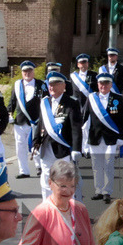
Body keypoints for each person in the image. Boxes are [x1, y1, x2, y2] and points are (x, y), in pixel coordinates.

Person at [32, 71, 81, 201]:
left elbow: (76, 128)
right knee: (46, 180)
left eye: (54, 84)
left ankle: (66, 208)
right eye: (50, 84)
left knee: (64, 181)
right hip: (46, 148)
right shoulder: (45, 102)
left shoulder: (71, 103)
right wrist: (35, 143)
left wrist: (76, 148)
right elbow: (40, 125)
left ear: (63, 86)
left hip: (62, 149)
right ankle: (47, 208)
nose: (51, 87)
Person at [81, 73, 123, 201]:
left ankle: (107, 191)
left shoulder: (118, 98)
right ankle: (98, 190)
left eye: (106, 83)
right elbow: (84, 118)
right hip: (95, 137)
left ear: (111, 85)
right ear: (98, 84)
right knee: (97, 166)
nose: (103, 86)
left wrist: (122, 137)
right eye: (101, 83)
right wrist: (83, 141)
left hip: (111, 138)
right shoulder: (91, 98)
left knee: (108, 164)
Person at [5, 61, 46, 179]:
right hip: (20, 121)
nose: (27, 73)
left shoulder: (41, 84)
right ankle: (23, 170)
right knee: (20, 147)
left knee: (37, 145)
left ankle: (39, 167)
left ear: (33, 71)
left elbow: (46, 101)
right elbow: (12, 101)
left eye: (29, 71)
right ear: (22, 72)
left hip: (36, 120)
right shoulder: (17, 85)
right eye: (25, 71)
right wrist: (9, 113)